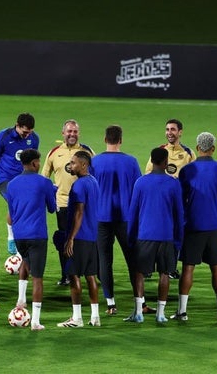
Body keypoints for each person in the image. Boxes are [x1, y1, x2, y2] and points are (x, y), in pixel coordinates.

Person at [175, 132, 217, 321]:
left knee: (188, 268)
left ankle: (182, 312)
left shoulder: (186, 170)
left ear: (198, 147)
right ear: (211, 149)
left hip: (192, 226)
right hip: (215, 225)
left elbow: (180, 198)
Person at [126, 147, 183, 323]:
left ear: (151, 161)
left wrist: (130, 237)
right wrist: (178, 241)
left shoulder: (140, 183)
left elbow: (133, 213)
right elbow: (179, 215)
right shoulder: (173, 183)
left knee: (139, 273)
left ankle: (138, 313)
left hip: (144, 235)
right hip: (166, 236)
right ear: (166, 162)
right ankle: (160, 314)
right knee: (164, 274)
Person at [91, 125, 142, 315]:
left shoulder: (94, 162)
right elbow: (138, 191)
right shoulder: (131, 162)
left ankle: (111, 302)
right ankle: (139, 301)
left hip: (100, 217)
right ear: (121, 140)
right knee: (133, 260)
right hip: (126, 218)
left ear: (105, 139)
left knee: (105, 260)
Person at [6, 149, 56, 330]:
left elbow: (11, 214)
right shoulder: (44, 182)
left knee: (24, 263)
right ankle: (35, 321)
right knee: (38, 278)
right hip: (37, 235)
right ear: (35, 163)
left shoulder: (11, 185)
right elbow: (52, 208)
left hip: (20, 235)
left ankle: (21, 299)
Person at [41, 119, 93, 286]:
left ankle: (87, 272)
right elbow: (44, 179)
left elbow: (96, 177)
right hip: (63, 204)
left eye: (75, 131)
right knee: (65, 239)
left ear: (79, 133)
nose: (72, 134)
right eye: (69, 131)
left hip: (84, 204)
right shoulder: (54, 153)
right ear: (63, 133)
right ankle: (66, 275)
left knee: (84, 239)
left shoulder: (87, 152)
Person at [144, 118, 195, 279]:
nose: (169, 133)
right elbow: (147, 173)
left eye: (173, 130)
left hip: (177, 201)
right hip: (158, 202)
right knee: (153, 232)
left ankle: (171, 267)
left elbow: (193, 179)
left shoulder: (188, 154)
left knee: (174, 232)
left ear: (180, 132)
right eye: (167, 130)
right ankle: (148, 267)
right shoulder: (159, 151)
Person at [57, 151, 101, 328]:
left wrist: (71, 238)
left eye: (73, 163)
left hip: (80, 237)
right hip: (92, 237)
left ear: (83, 165)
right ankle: (95, 317)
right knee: (91, 276)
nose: (70, 165)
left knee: (73, 275)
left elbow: (79, 212)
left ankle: (77, 318)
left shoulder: (79, 185)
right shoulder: (94, 182)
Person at [0, 113, 39, 255]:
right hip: (6, 181)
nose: (26, 135)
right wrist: (0, 176)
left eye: (29, 132)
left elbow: (33, 161)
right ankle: (13, 239)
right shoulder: (3, 137)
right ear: (17, 125)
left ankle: (21, 242)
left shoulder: (34, 139)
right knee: (17, 205)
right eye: (24, 132)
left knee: (23, 208)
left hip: (24, 181)